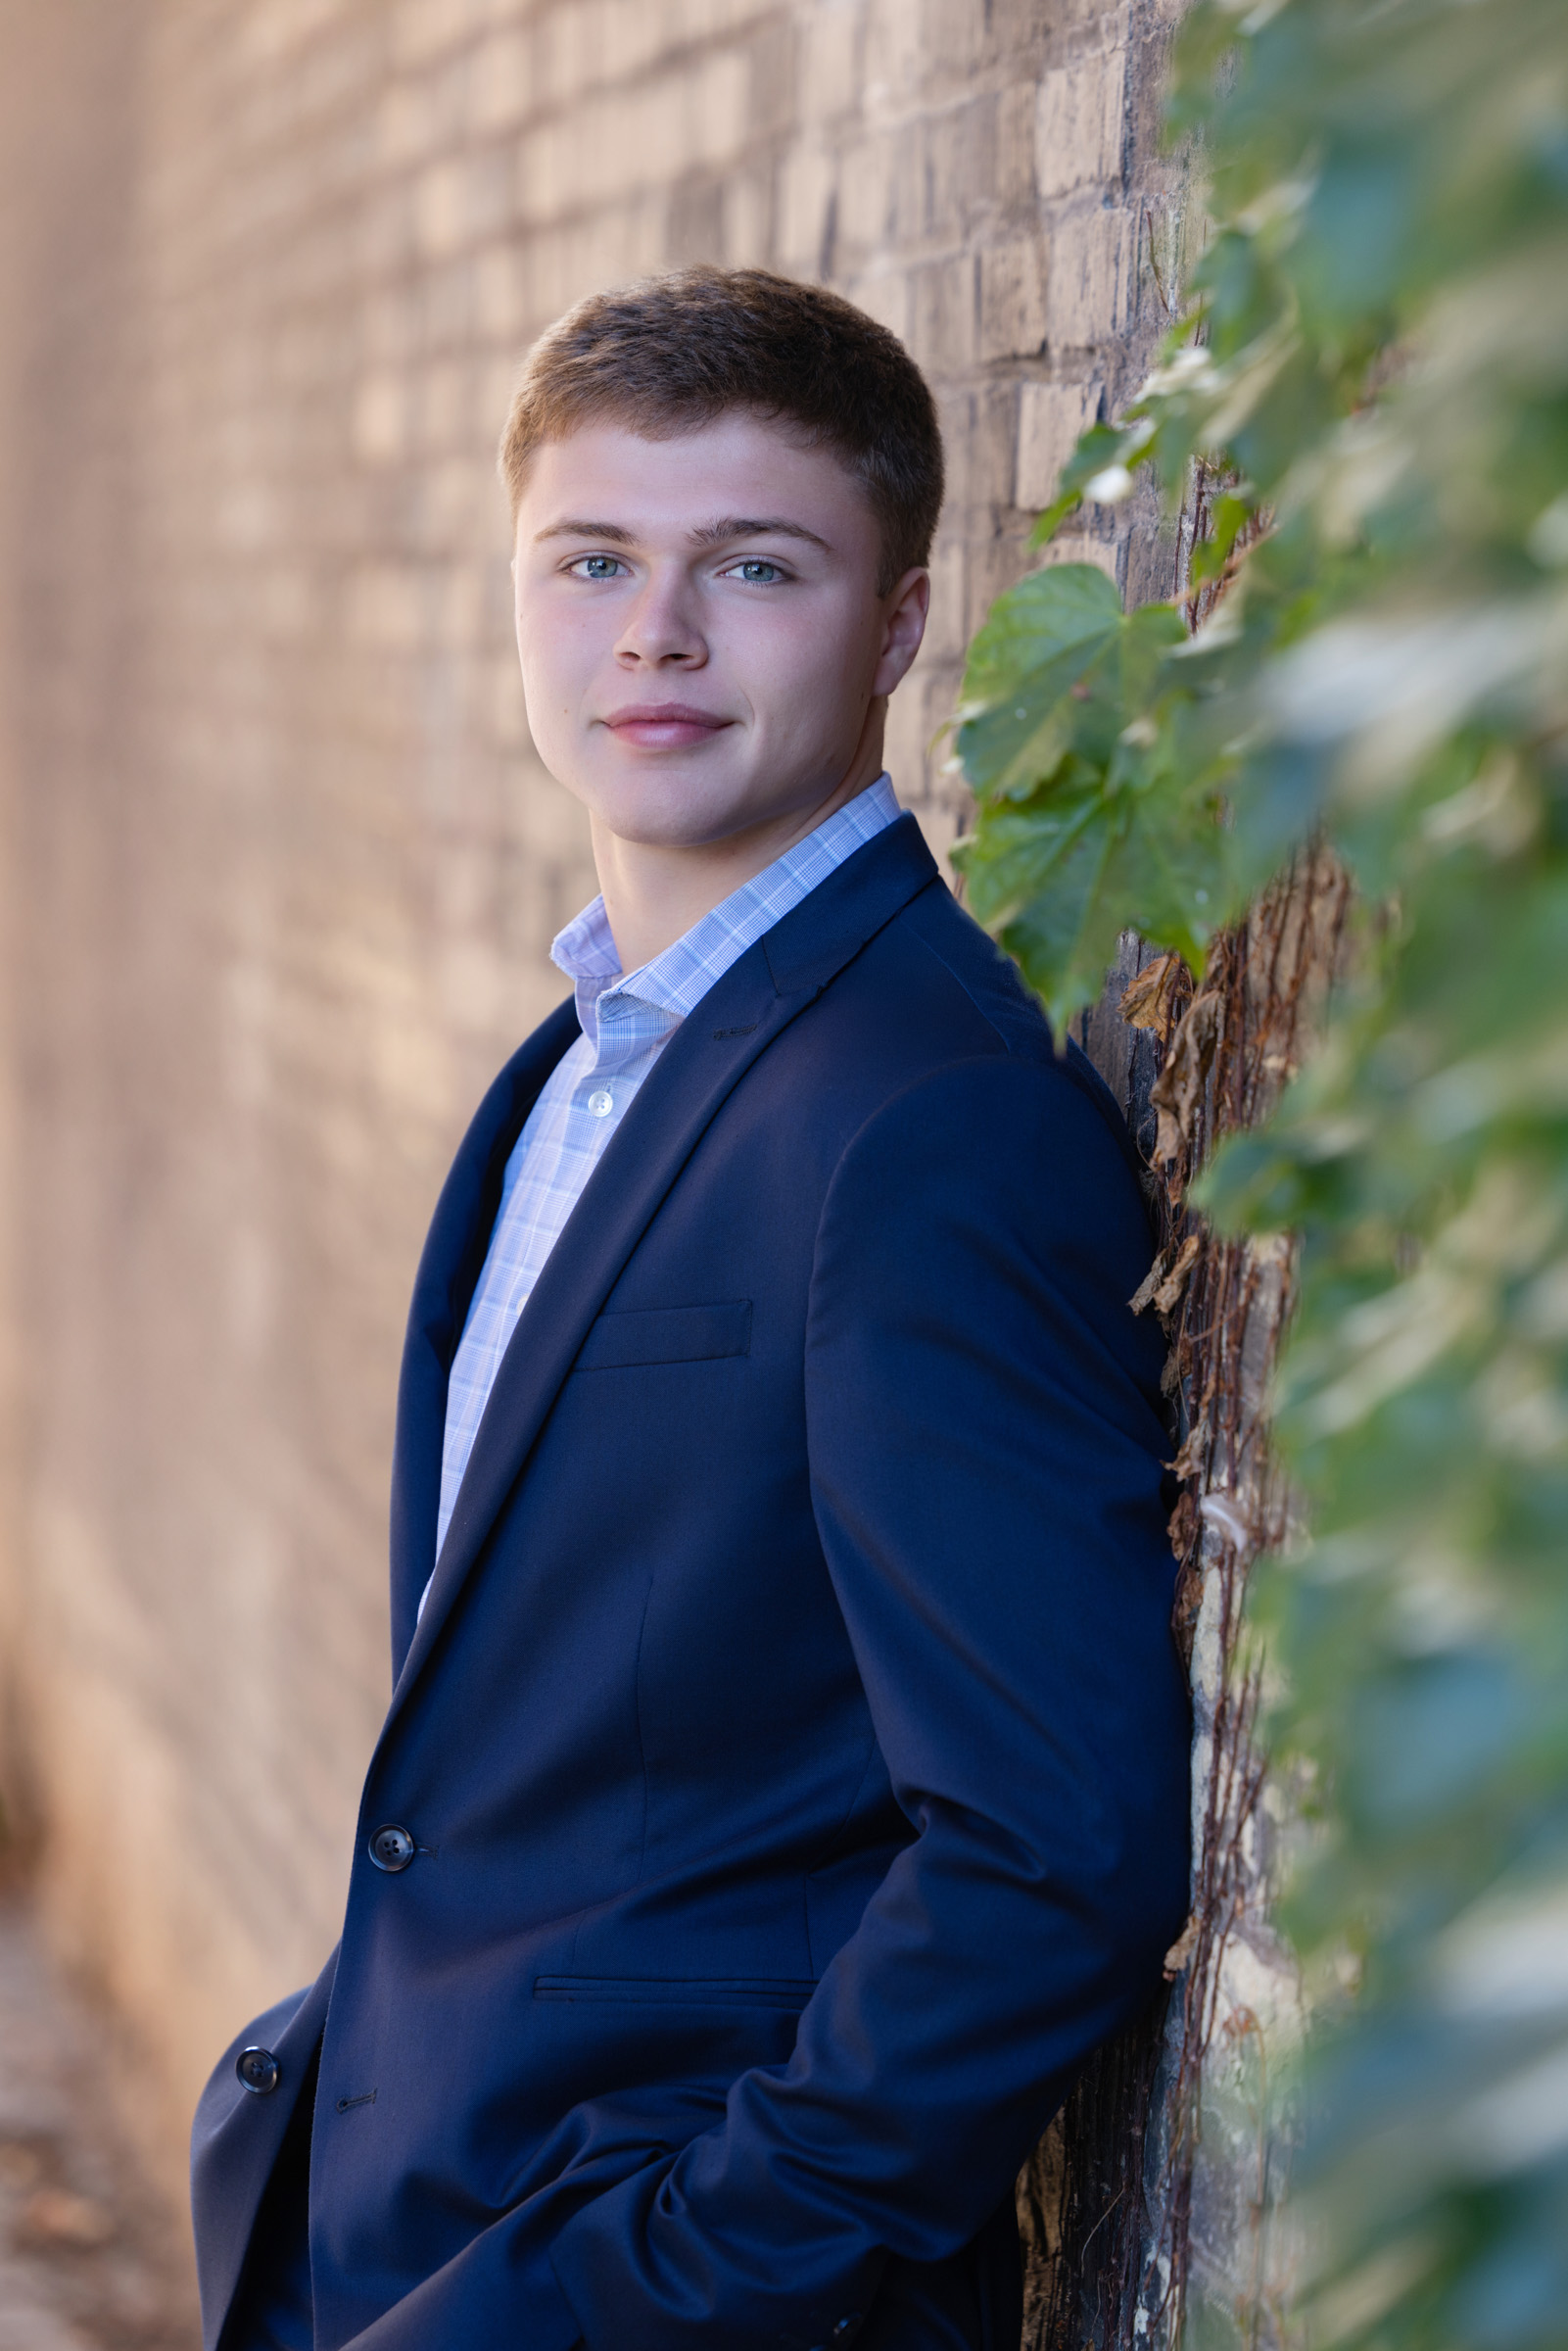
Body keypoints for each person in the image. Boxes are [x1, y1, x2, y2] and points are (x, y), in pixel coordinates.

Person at [191, 265, 1189, 2351]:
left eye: (754, 565)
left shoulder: (929, 1120)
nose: (654, 634)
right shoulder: (578, 1072)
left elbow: (1055, 1847)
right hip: (402, 2231)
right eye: (593, 561)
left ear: (899, 624)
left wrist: (661, 2279)